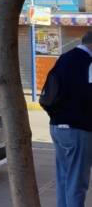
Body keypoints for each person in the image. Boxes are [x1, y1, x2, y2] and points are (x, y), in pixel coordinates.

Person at [43, 31, 92, 207]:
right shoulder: (88, 63)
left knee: (64, 178)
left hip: (58, 127)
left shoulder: (64, 58)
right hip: (78, 129)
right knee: (77, 184)